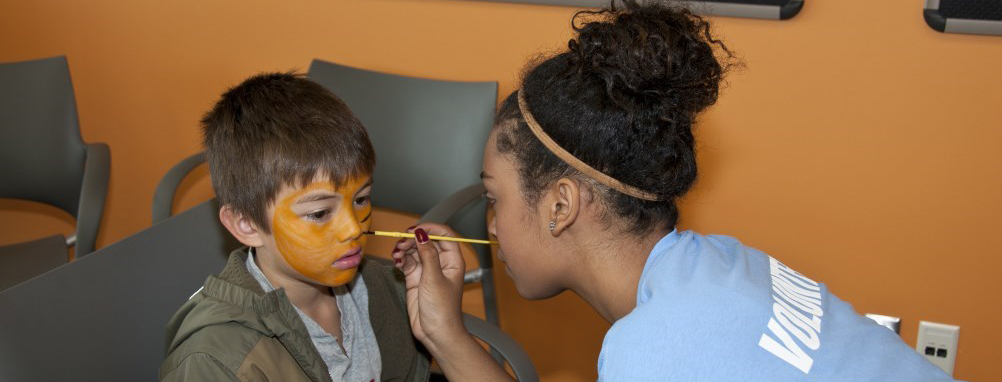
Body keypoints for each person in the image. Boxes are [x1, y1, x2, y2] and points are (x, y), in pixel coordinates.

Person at [392, 1, 960, 381]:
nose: (489, 224)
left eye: (495, 198)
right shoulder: (723, 263)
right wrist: (446, 333)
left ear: (560, 206)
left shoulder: (654, 354)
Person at [159, 73, 430, 382]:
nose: (353, 229)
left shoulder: (380, 289)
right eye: (319, 213)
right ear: (246, 225)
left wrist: (440, 323)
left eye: (361, 198)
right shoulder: (217, 364)